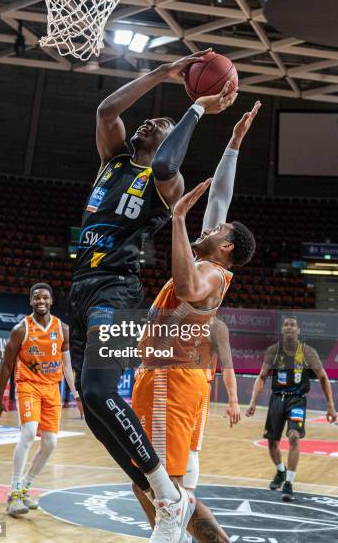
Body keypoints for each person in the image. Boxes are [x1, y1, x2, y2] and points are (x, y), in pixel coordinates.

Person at [69, 51, 238, 542]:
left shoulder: (167, 184)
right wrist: (164, 75)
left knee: (102, 392)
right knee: (93, 410)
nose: (149, 122)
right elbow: (106, 112)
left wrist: (197, 109)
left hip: (118, 293)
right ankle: (163, 495)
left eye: (161, 123)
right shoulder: (115, 158)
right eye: (148, 120)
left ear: (174, 140)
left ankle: (169, 496)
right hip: (80, 291)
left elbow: (167, 160)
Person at [131, 102, 260, 541]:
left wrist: (182, 220)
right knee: (147, 484)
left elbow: (186, 289)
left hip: (172, 383)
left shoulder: (210, 272)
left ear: (226, 249)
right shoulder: (210, 260)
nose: (212, 228)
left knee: (165, 491)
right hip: (165, 378)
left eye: (217, 232)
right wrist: (234, 144)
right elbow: (220, 195)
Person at [0, 283, 84, 516]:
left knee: (50, 443)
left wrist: (76, 395)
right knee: (28, 433)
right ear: (31, 301)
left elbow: (66, 365)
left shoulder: (62, 328)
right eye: (36, 298)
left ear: (52, 301)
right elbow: (6, 365)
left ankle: (25, 486)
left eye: (45, 297)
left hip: (52, 388)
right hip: (28, 386)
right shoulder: (20, 329)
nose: (41, 301)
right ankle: (13, 494)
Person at [246, 316, 337, 501]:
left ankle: (289, 483)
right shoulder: (273, 351)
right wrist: (253, 401)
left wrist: (330, 406)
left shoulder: (308, 352)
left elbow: (323, 377)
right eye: (286, 324)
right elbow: (262, 377)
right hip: (277, 399)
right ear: (282, 330)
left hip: (297, 399)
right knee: (272, 443)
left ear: (298, 330)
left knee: (294, 437)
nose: (289, 327)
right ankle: (281, 470)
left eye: (292, 325)